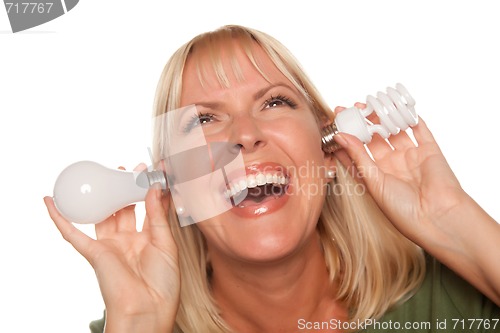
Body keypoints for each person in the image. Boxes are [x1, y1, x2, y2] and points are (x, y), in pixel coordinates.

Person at [44, 25, 500, 333]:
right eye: (203, 120)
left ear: (330, 152)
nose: (244, 135)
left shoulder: (455, 300)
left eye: (275, 102)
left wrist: (451, 219)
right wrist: (140, 321)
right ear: (174, 187)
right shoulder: (132, 323)